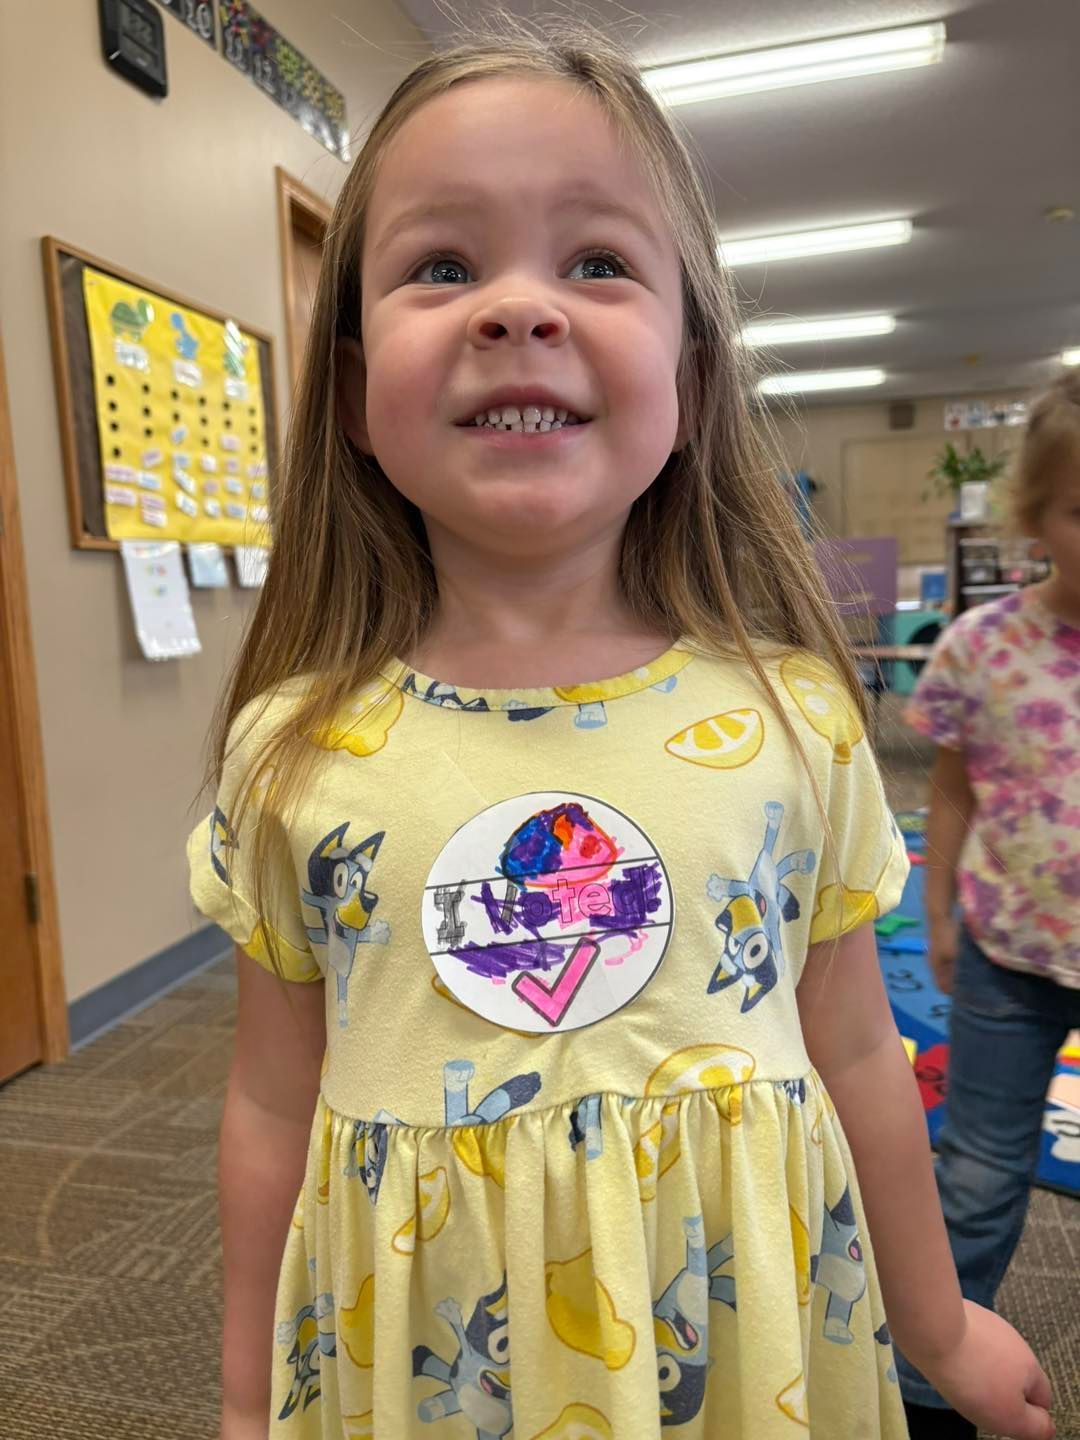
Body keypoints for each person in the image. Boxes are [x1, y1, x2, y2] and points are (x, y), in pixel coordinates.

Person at [187, 15, 1054, 1439]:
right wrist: (241, 1404)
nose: (518, 309)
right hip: (426, 1363)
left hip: (746, 1348)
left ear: (693, 381)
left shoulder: (798, 720)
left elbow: (852, 1054)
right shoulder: (291, 749)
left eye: (596, 262)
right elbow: (272, 1105)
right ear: (350, 393)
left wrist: (938, 1321)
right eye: (442, 266)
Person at [898, 372, 1080, 1438]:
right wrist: (935, 920)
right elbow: (953, 790)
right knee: (975, 1174)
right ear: (1034, 517)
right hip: (1008, 954)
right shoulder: (985, 647)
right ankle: (931, 1389)